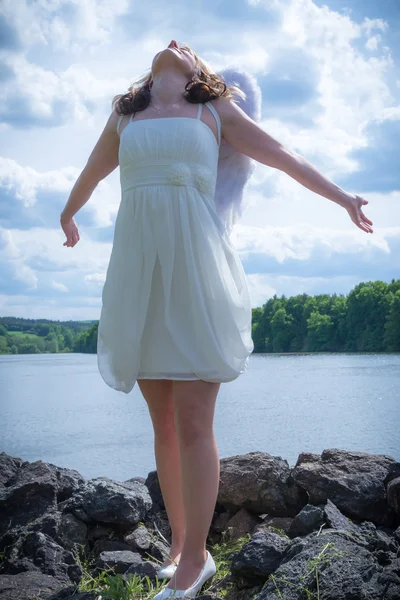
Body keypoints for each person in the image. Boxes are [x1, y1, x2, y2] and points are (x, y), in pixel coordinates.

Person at [60, 40, 373, 598]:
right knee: (161, 420)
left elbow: (284, 155)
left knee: (194, 419)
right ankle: (181, 546)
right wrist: (68, 211)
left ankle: (196, 561)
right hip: (139, 272)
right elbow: (92, 170)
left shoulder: (214, 109)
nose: (176, 43)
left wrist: (344, 197)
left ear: (200, 71)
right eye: (169, 41)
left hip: (196, 269)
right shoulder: (125, 114)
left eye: (189, 47)